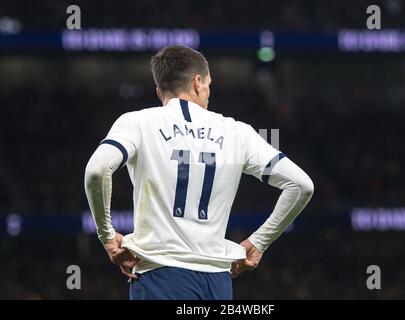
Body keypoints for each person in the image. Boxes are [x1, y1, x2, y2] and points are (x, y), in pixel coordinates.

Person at [84, 45, 314, 300]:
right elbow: (301, 185)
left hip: (159, 276)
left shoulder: (137, 122)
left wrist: (106, 235)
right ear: (197, 82)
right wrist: (259, 242)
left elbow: (97, 170)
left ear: (159, 90)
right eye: (209, 85)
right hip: (218, 282)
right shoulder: (238, 132)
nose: (208, 93)